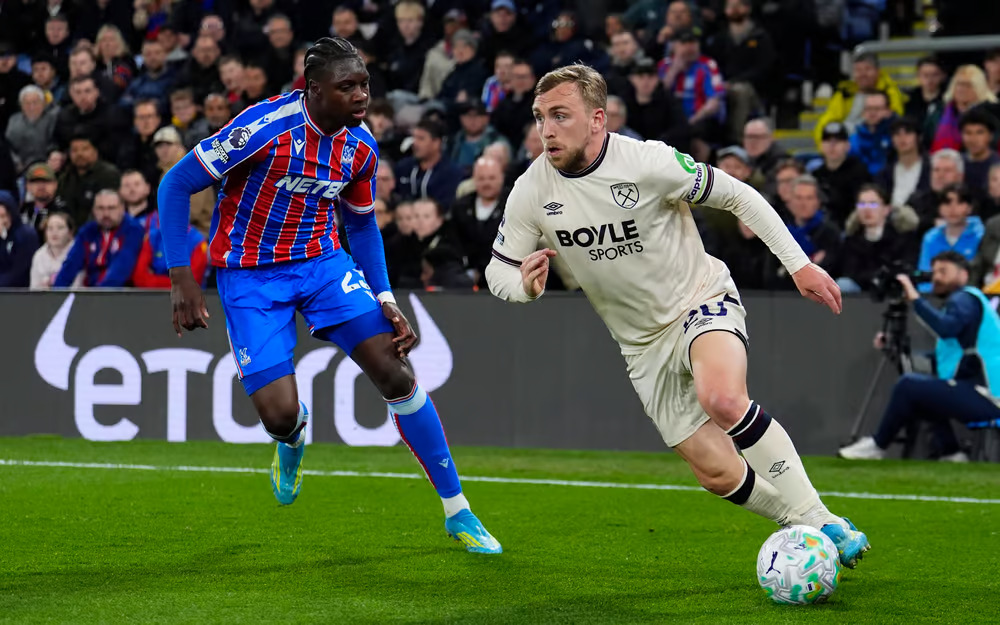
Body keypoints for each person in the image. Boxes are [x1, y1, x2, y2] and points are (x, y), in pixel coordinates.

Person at [486, 64, 870, 568]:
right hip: (641, 346)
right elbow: (498, 271)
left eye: (561, 115)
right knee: (716, 473)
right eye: (540, 117)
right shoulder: (532, 189)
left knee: (722, 398)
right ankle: (801, 522)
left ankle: (821, 520)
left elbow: (739, 195)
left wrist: (798, 264)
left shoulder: (648, 162)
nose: (547, 130)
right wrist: (524, 287)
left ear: (598, 119)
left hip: (699, 300)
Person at [156, 37, 500, 554]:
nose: (361, 96)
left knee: (396, 370)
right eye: (347, 87)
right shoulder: (263, 128)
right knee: (277, 415)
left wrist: (385, 297)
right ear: (313, 89)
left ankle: (459, 510)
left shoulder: (361, 146)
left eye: (364, 84)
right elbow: (175, 184)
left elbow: (360, 225)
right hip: (250, 276)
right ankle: (293, 437)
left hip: (322, 265)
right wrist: (182, 276)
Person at [838, 251, 1000, 462]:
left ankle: (878, 445)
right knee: (922, 392)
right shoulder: (968, 304)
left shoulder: (965, 298)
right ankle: (952, 453)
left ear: (964, 275)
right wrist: (894, 347)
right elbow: (943, 359)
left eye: (944, 271)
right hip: (982, 391)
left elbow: (946, 328)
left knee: (909, 386)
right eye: (934, 272)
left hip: (990, 396)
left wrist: (915, 299)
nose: (937, 277)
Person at [53, 189, 143, 287]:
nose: (106, 214)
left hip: (123, 292)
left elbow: (122, 266)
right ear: (94, 210)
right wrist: (56, 292)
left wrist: (100, 294)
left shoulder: (133, 230)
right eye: (100, 208)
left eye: (111, 208)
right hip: (92, 291)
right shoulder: (87, 232)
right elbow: (70, 265)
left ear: (122, 209)